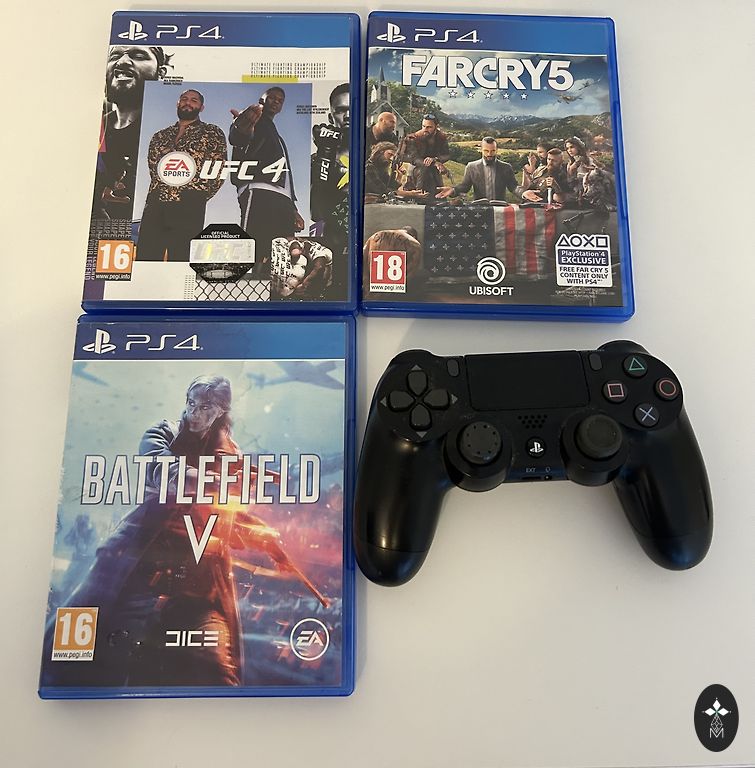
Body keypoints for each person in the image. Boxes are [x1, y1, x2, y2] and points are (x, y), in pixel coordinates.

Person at [42, 376, 325, 688]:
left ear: (220, 412)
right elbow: (165, 472)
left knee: (215, 675)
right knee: (85, 664)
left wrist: (266, 541)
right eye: (191, 403)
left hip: (196, 589)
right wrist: (218, 481)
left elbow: (224, 518)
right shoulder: (161, 433)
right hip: (136, 572)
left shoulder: (229, 454)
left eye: (205, 408)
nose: (194, 413)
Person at [137, 89, 227, 261]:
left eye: (194, 100)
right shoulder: (160, 136)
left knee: (181, 259)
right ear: (178, 104)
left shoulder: (211, 132)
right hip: (156, 204)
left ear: (201, 107)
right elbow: (154, 170)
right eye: (184, 99)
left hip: (189, 204)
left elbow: (218, 170)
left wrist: (197, 196)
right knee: (146, 257)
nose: (188, 102)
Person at [228, 87, 305, 277]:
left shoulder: (276, 136)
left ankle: (274, 288)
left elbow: (286, 176)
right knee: (253, 246)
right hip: (258, 191)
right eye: (272, 97)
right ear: (262, 99)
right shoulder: (253, 119)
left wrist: (293, 208)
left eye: (280, 100)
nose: (276, 101)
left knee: (282, 250)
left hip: (283, 200)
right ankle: (245, 286)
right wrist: (242, 125)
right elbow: (238, 135)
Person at [94, 45, 170, 219]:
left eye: (138, 56)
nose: (122, 61)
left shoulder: (164, 129)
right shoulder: (98, 126)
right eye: (115, 56)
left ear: (161, 73)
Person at [311, 83, 351, 288]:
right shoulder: (319, 158)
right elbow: (316, 213)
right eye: (341, 110)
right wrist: (325, 153)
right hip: (335, 244)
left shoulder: (380, 152)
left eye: (353, 109)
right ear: (331, 117)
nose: (348, 116)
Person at [436, 137, 518, 201]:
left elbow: (514, 187)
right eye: (486, 151)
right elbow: (465, 187)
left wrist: (523, 193)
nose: (489, 154)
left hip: (499, 210)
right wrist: (453, 190)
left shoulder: (506, 167)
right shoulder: (471, 167)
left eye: (492, 151)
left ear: (497, 150)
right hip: (479, 209)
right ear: (481, 150)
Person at [404, 113, 451, 195]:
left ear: (436, 126)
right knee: (423, 172)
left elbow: (446, 155)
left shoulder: (441, 137)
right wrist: (434, 163)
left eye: (429, 127)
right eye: (423, 126)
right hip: (416, 168)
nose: (425, 129)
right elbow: (414, 158)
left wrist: (436, 159)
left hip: (434, 169)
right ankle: (418, 194)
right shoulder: (414, 138)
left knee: (438, 189)